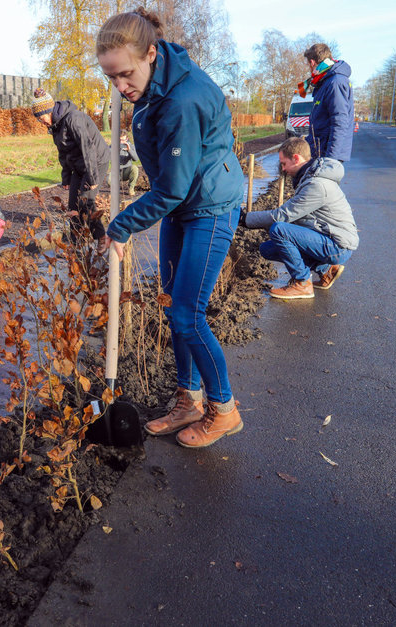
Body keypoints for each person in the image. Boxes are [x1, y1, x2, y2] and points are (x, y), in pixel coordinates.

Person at [97, 8, 246, 448]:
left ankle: (224, 409)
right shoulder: (155, 82)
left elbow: (173, 188)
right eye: (111, 79)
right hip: (186, 201)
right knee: (170, 305)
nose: (120, 88)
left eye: (125, 74)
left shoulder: (183, 98)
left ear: (150, 53)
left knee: (187, 314)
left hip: (209, 206)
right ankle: (189, 399)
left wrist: (122, 224)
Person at [243, 136, 358, 300]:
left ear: (296, 158)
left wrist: (246, 219)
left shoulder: (316, 185)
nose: (282, 169)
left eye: (283, 163)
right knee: (267, 249)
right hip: (329, 237)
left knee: (280, 230)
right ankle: (326, 270)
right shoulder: (309, 177)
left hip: (338, 245)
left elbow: (282, 216)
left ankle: (302, 283)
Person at [31, 87, 111, 252]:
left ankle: (101, 237)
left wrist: (93, 178)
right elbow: (63, 152)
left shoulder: (74, 119)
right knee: (73, 206)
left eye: (42, 117)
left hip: (96, 162)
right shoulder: (56, 126)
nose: (42, 122)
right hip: (79, 165)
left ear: (49, 110)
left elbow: (88, 147)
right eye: (38, 119)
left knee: (86, 200)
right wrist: (66, 177)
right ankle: (76, 244)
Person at [302, 43, 354, 162]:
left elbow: (339, 122)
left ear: (312, 63)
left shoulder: (335, 82)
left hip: (327, 154)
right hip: (322, 150)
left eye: (308, 65)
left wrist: (330, 160)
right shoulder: (326, 81)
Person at [114, 130, 140, 195]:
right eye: (119, 140)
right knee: (109, 181)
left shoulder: (131, 146)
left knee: (135, 168)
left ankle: (131, 188)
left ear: (127, 139)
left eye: (123, 140)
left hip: (126, 171)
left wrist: (129, 150)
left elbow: (136, 159)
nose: (121, 142)